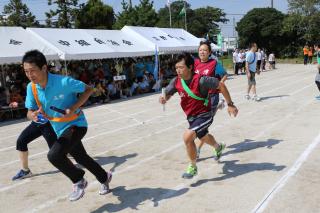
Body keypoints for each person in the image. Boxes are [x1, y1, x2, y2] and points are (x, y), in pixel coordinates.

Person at [23, 50, 112, 202]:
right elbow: (29, 111)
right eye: (26, 71)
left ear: (44, 68)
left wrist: (74, 106)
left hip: (76, 124)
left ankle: (79, 180)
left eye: (33, 71)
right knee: (81, 157)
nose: (30, 75)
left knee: (54, 155)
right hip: (59, 128)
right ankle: (105, 177)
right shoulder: (32, 88)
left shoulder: (63, 82)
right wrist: (33, 115)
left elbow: (89, 89)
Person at [159, 53, 238, 179]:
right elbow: (168, 93)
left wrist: (230, 104)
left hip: (205, 114)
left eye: (181, 67)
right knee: (203, 136)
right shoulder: (176, 81)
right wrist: (164, 99)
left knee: (187, 137)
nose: (178, 70)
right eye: (176, 68)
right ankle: (218, 147)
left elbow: (221, 85)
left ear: (190, 67)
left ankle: (193, 166)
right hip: (191, 117)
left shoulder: (202, 79)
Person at [194, 40, 228, 159]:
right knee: (198, 126)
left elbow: (224, 75)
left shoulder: (214, 63)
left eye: (205, 50)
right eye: (200, 50)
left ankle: (197, 150)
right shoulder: (195, 63)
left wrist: (219, 85)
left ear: (209, 52)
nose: (202, 52)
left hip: (211, 98)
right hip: (198, 99)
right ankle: (217, 147)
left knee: (202, 127)